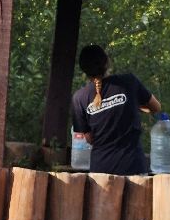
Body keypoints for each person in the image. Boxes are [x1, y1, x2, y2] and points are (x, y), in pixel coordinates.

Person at [70, 44, 164, 176]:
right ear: (107, 62)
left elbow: (89, 138)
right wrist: (134, 106)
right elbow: (156, 107)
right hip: (133, 167)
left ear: (84, 70)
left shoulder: (79, 98)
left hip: (100, 172)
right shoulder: (129, 82)